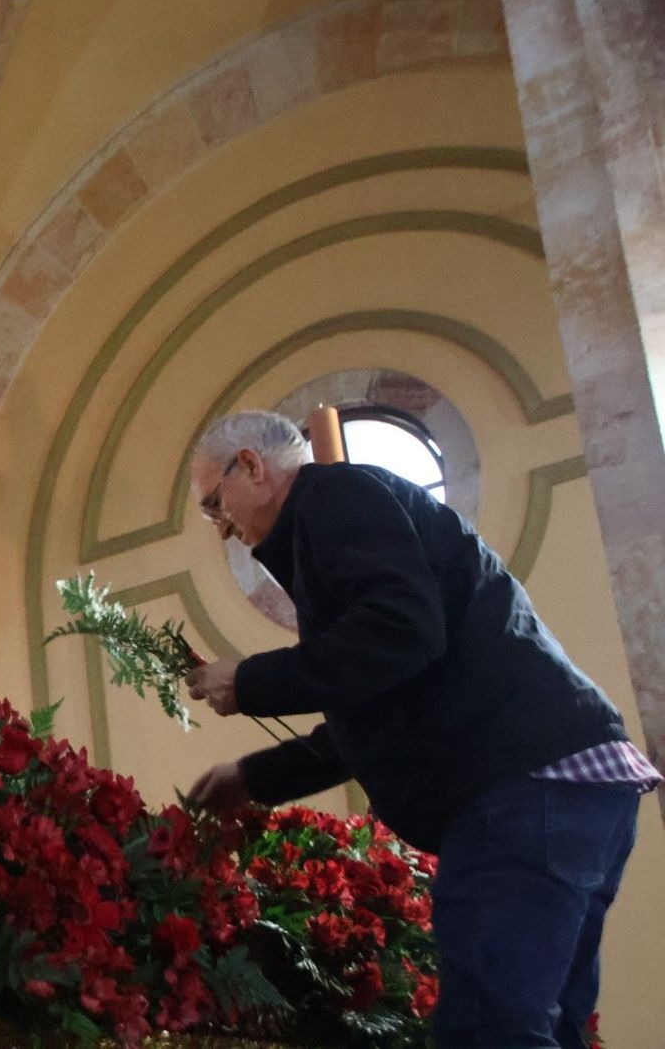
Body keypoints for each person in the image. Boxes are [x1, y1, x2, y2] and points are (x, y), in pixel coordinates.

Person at [182, 410, 658, 1049]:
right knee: (542, 1029)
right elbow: (383, 710)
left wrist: (250, 682)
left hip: (520, 790)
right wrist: (252, 775)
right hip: (565, 787)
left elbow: (401, 632)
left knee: (487, 1032)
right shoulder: (340, 517)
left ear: (252, 465)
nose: (222, 530)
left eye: (216, 505)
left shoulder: (335, 497)